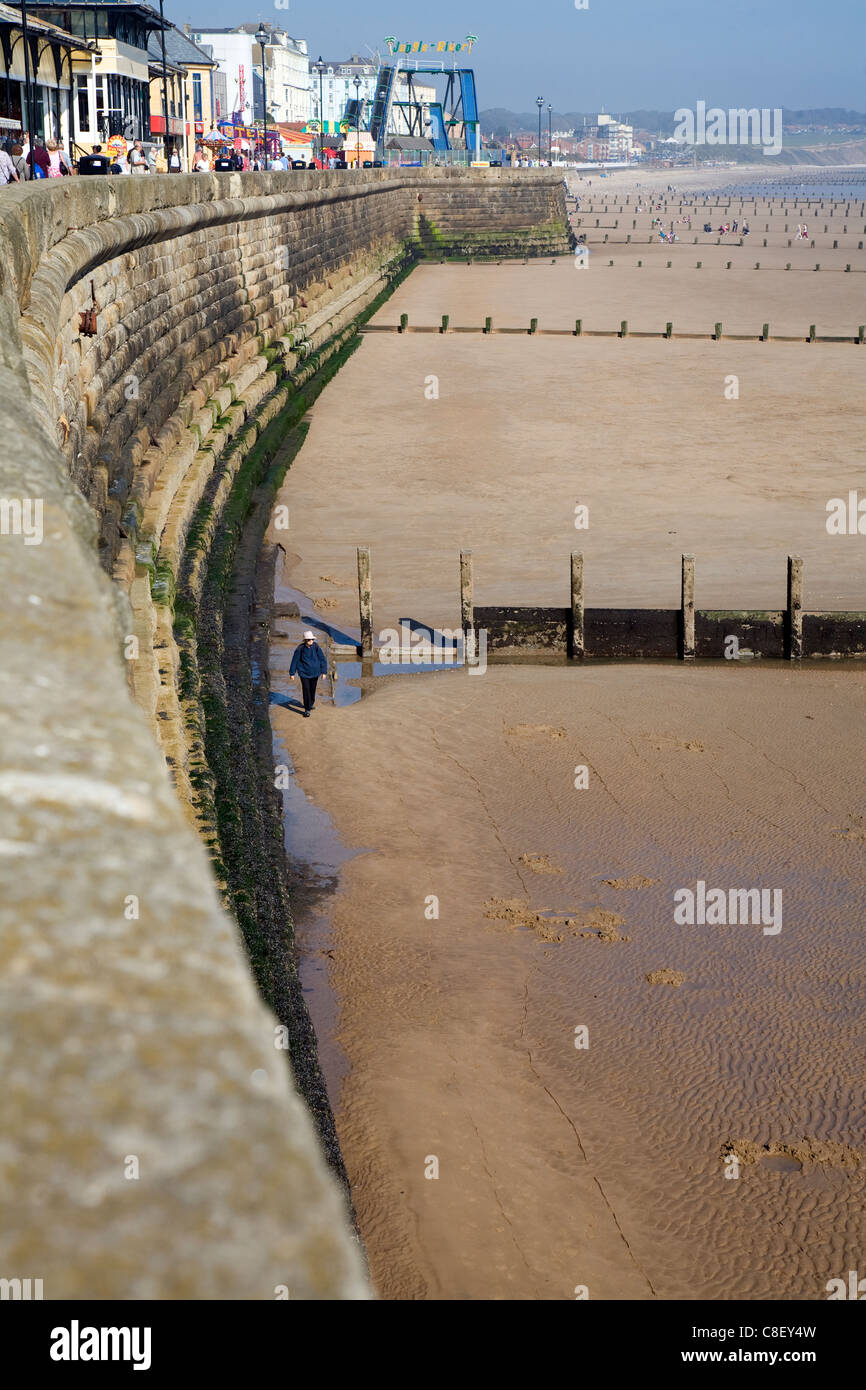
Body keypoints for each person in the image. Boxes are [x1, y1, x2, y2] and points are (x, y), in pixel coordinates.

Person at [289, 631, 328, 717]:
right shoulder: (300, 648)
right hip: (304, 673)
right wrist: (292, 673)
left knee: (312, 689)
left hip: (315, 673)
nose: (311, 641)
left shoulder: (316, 647)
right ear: (305, 640)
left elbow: (322, 659)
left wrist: (324, 672)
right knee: (306, 689)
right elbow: (294, 660)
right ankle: (307, 709)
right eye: (309, 640)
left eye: (312, 639)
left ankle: (310, 704)